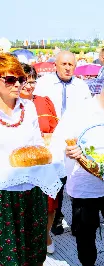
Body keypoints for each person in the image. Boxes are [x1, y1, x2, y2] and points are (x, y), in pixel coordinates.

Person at [51, 73, 104, 266]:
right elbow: (59, 141)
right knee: (85, 233)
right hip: (85, 184)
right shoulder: (80, 111)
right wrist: (68, 149)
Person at [0, 53, 62, 265]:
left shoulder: (28, 108)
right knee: (8, 256)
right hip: (3, 195)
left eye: (20, 79)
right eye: (10, 79)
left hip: (32, 190)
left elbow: (36, 143)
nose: (17, 84)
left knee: (33, 253)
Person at [34, 50, 92, 235]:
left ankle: (78, 221)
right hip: (52, 138)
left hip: (75, 137)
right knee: (57, 181)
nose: (67, 68)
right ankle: (57, 218)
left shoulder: (82, 86)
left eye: (71, 65)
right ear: (55, 65)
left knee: (76, 178)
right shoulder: (43, 84)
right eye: (64, 64)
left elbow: (88, 111)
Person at [20, 63, 59, 254]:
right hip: (19, 163)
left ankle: (45, 234)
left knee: (49, 204)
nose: (28, 86)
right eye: (24, 81)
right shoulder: (8, 106)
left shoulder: (44, 101)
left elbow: (56, 128)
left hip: (44, 159)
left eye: (32, 81)